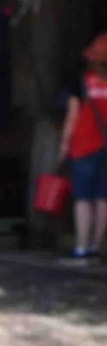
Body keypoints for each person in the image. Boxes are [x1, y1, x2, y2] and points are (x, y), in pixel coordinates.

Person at [59, 31, 107, 263]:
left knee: (83, 199)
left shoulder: (80, 82)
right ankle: (96, 248)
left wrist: (64, 143)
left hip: (84, 147)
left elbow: (72, 115)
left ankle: (81, 247)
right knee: (102, 199)